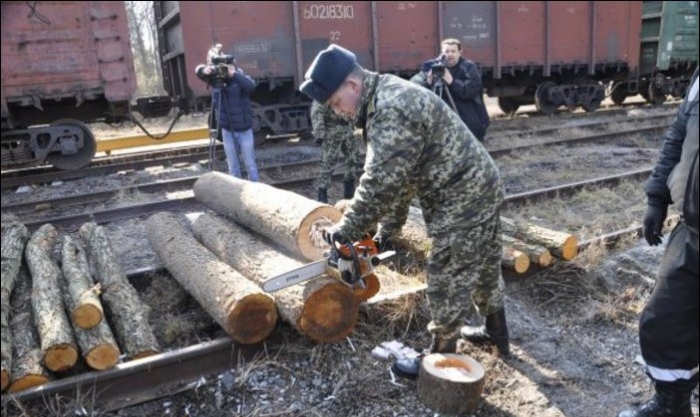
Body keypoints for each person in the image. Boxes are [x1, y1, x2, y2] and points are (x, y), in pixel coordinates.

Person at [299, 44, 509, 378]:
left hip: (463, 196)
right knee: (483, 265)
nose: (339, 113)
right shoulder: (383, 97)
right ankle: (497, 335)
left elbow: (380, 182)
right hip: (473, 187)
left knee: (445, 275)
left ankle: (439, 360)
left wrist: (346, 231)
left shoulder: (390, 108)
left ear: (352, 86)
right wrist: (386, 232)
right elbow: (400, 179)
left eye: (337, 103)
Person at [617, 67, 698, 417]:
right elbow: (678, 136)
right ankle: (673, 405)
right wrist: (657, 197)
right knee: (665, 320)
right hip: (693, 230)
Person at [410, 38, 490, 142]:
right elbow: (414, 84)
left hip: (468, 116)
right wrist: (428, 82)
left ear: (460, 53)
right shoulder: (435, 66)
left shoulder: (468, 67)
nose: (450, 54)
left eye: (453, 51)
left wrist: (452, 81)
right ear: (442, 53)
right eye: (447, 51)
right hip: (445, 116)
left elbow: (471, 90)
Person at [195, 60, 259, 181]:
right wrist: (203, 70)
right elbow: (198, 71)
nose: (225, 71)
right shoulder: (216, 81)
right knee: (233, 168)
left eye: (229, 68)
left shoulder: (241, 79)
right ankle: (237, 194)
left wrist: (233, 75)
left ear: (235, 68)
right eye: (223, 68)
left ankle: (255, 190)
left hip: (244, 130)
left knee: (251, 165)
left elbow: (251, 86)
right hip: (228, 131)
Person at [310, 100, 363, 203]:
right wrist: (319, 133)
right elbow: (317, 111)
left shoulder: (340, 89)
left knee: (353, 159)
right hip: (332, 131)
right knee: (328, 162)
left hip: (347, 130)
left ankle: (349, 193)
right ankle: (322, 195)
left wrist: (354, 123)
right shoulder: (324, 93)